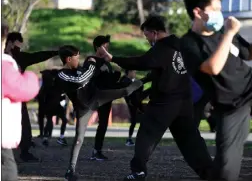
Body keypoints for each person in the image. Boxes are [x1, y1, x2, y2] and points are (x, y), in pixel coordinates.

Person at [99, 15, 213, 181]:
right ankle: (210, 173)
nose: (146, 39)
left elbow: (140, 62)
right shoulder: (181, 45)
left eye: (146, 35)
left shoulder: (161, 49)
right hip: (184, 102)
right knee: (191, 140)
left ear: (154, 33)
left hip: (164, 103)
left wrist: (113, 58)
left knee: (146, 136)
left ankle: (138, 171)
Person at [181, 0, 252, 180]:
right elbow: (212, 68)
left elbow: (249, 53)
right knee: (225, 173)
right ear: (198, 12)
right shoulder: (188, 43)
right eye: (216, 9)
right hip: (230, 105)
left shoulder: (223, 32)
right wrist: (229, 34)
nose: (221, 14)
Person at [49, 45, 142, 180]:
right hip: (84, 108)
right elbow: (81, 81)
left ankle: (148, 79)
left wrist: (102, 64)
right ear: (68, 59)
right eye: (76, 58)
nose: (79, 60)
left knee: (126, 90)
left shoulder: (80, 69)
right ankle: (71, 170)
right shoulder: (63, 75)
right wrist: (91, 65)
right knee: (78, 139)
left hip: (97, 97)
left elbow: (96, 75)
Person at [4, 32, 59, 162]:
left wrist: (55, 53)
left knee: (25, 123)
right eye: (17, 45)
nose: (19, 48)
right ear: (10, 43)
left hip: (16, 97)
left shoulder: (20, 57)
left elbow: (37, 56)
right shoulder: (4, 58)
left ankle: (25, 150)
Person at [1, 20, 40, 181]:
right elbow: (24, 88)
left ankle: (25, 149)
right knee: (8, 169)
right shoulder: (4, 64)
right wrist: (31, 77)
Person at [37, 69, 68, 146]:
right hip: (54, 105)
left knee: (50, 120)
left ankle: (46, 138)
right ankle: (60, 137)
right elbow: (62, 95)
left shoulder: (48, 86)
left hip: (50, 106)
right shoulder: (54, 85)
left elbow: (42, 96)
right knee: (62, 120)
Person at [120, 70, 151, 146]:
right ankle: (130, 139)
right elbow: (128, 92)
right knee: (134, 121)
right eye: (133, 72)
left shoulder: (131, 80)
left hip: (137, 100)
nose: (135, 73)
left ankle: (134, 138)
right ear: (129, 72)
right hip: (133, 101)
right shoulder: (125, 81)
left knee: (140, 120)